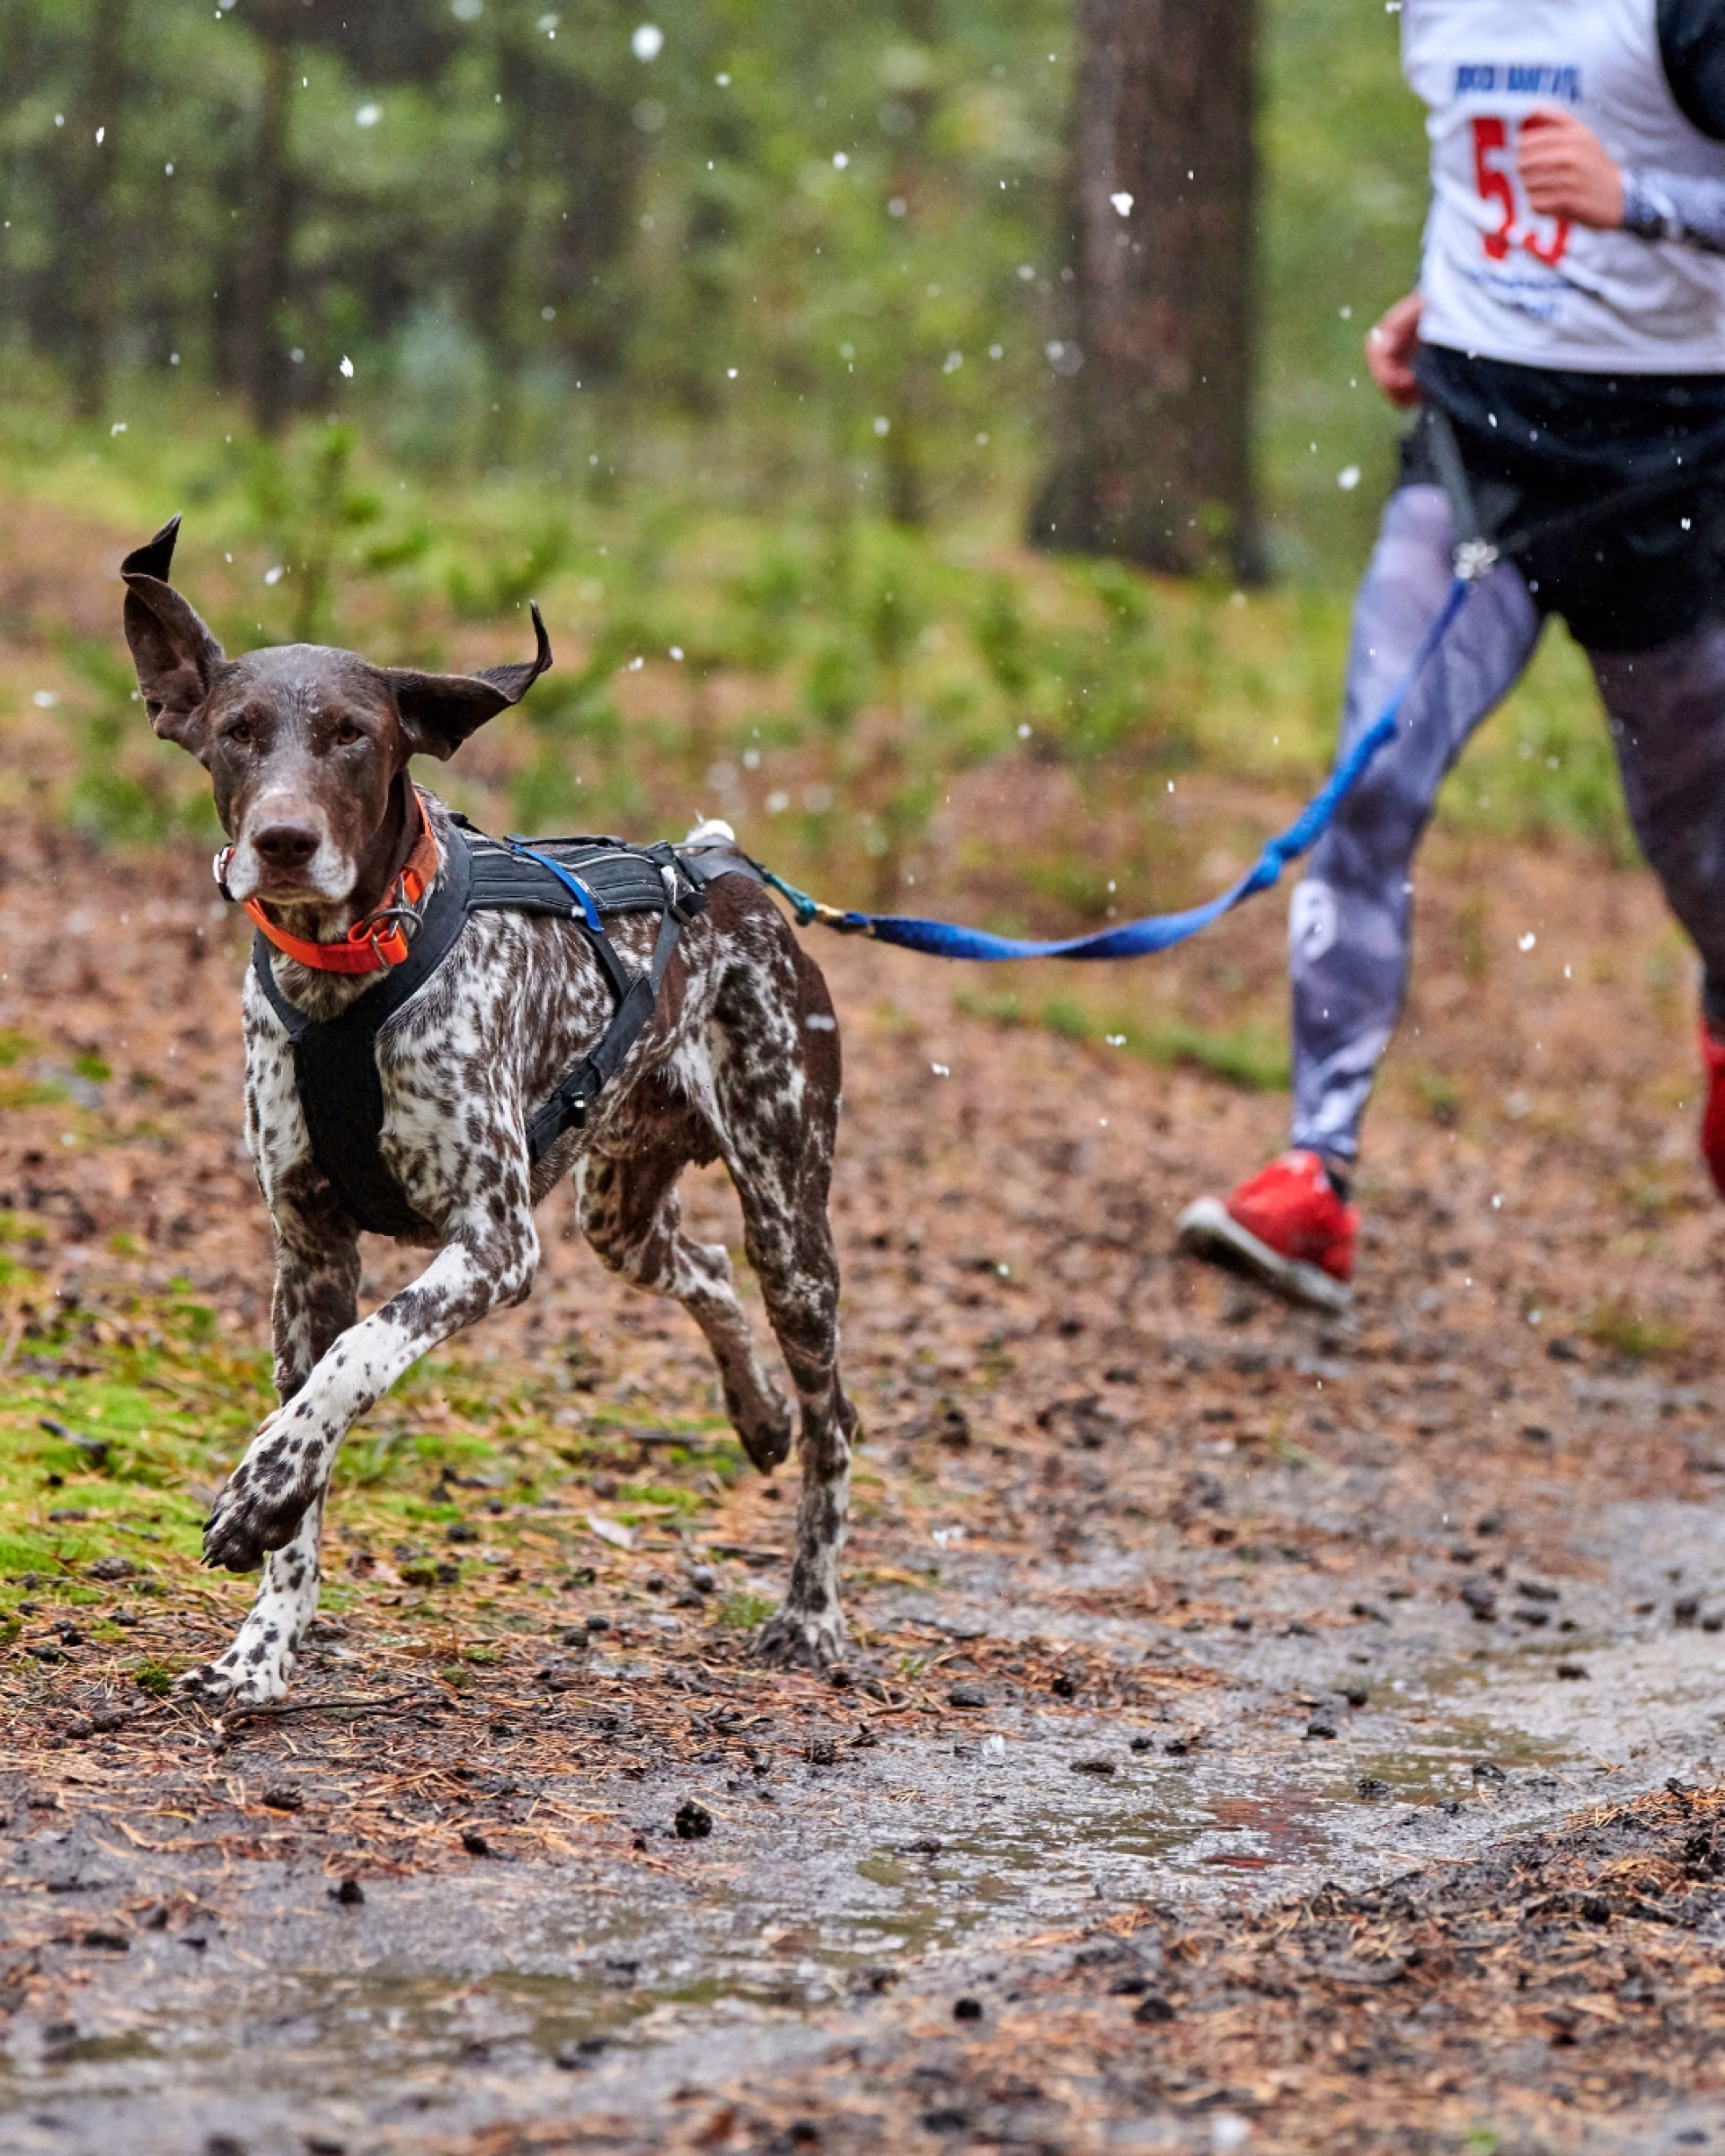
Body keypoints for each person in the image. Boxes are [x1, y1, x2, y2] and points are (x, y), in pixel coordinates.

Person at [1179, 0, 1725, 1312]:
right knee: (1373, 782)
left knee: (1710, 868)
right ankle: (1315, 1177)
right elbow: (1483, 181)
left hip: (1675, 478)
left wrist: (1640, 203)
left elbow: (1624, 185)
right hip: (1477, 455)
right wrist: (1456, 295)